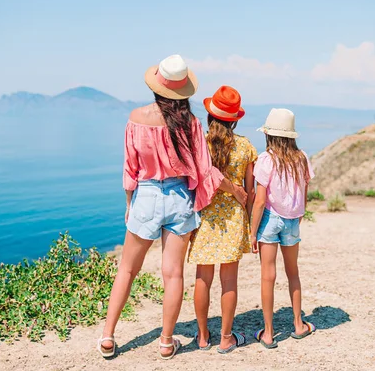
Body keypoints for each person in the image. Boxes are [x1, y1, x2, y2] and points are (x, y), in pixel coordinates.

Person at [97, 55, 247, 360]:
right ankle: (166, 341)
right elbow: (205, 169)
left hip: (147, 196)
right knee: (173, 275)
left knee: (126, 269)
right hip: (179, 198)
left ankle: (108, 336)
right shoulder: (189, 123)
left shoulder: (136, 117)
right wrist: (235, 190)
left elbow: (130, 169)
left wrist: (130, 204)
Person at [187, 86, 257, 354]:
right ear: (235, 119)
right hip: (234, 219)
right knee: (229, 281)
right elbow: (249, 193)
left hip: (205, 218)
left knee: (202, 279)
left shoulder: (200, 146)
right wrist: (252, 227)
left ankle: (203, 336)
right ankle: (226, 337)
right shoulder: (246, 147)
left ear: (209, 117)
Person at [250, 108, 316, 349]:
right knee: (293, 273)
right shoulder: (302, 158)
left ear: (269, 135)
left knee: (268, 276)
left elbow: (259, 201)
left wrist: (252, 232)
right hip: (292, 220)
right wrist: (299, 216)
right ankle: (298, 325)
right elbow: (304, 192)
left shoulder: (266, 160)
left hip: (269, 219)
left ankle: (268, 333)